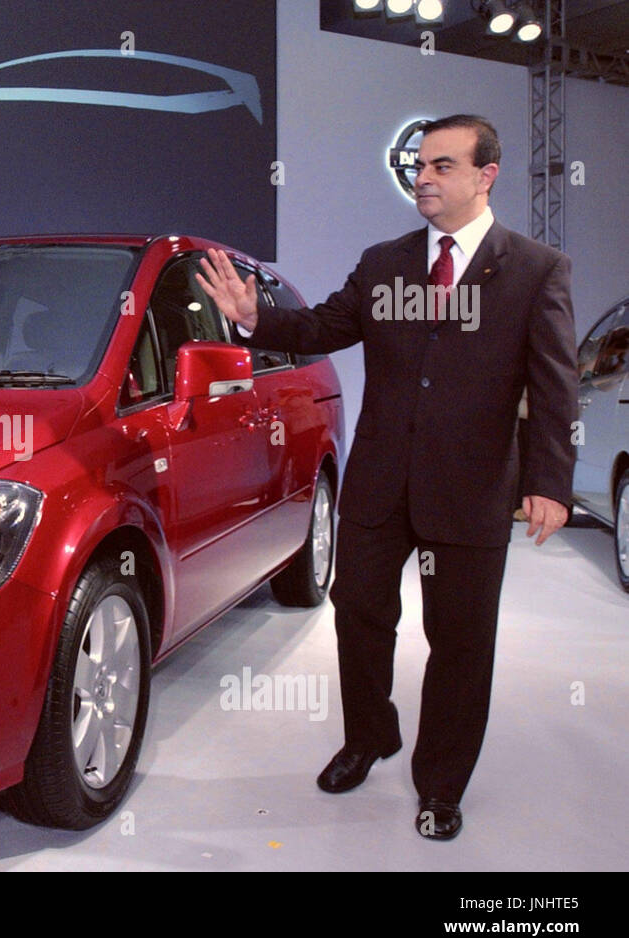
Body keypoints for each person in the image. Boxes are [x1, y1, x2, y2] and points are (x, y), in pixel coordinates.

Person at [196, 114, 578, 840]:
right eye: (418, 168)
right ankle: (371, 735)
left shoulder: (535, 269)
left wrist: (550, 482)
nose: (423, 180)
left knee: (461, 642)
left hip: (470, 491)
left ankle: (441, 784)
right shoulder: (383, 263)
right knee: (360, 612)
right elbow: (320, 329)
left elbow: (554, 384)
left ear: (484, 175)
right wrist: (254, 317)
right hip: (380, 485)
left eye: (440, 166)